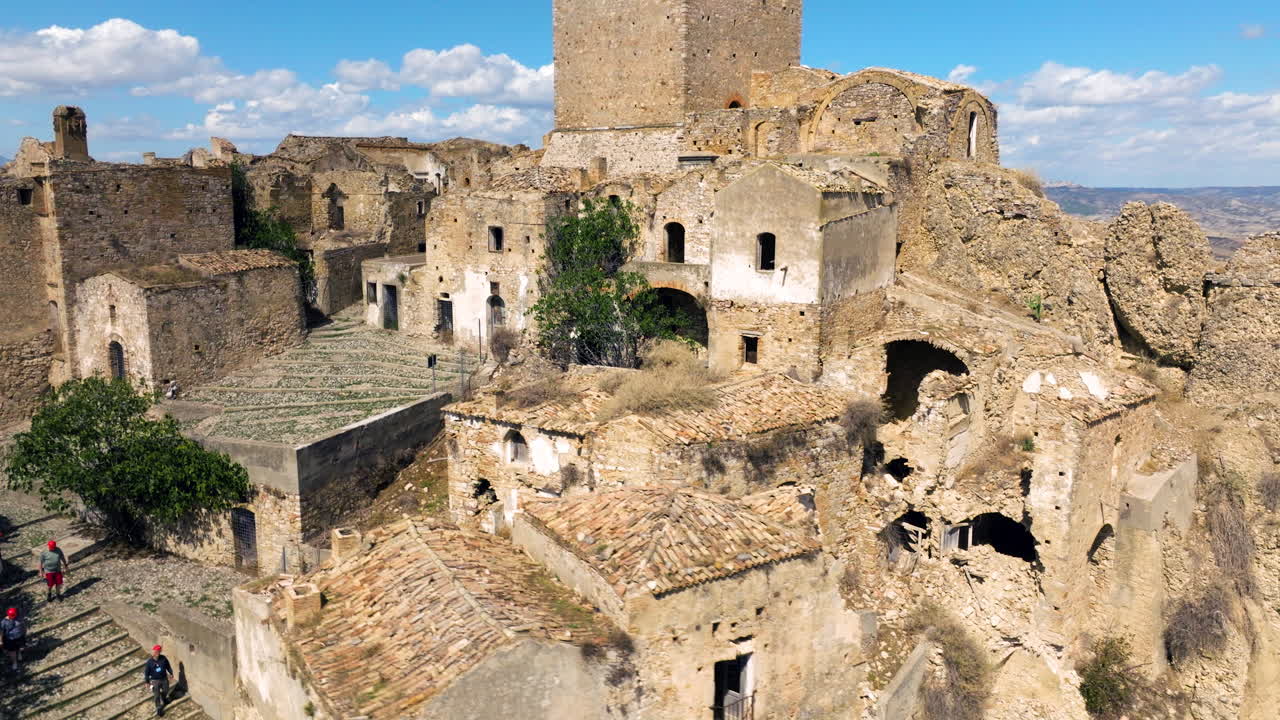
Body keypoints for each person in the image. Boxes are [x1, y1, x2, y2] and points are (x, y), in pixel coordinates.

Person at [143, 645, 174, 716]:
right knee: (156, 695)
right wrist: (147, 682)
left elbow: (168, 666)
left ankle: (163, 697)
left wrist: (171, 673)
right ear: (153, 652)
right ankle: (158, 707)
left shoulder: (163, 658)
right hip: (155, 681)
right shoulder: (149, 662)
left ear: (160, 651)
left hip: (164, 678)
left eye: (158, 651)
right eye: (155, 651)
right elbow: (146, 673)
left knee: (166, 690)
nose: (157, 653)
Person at [1, 608, 24, 672]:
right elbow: (1, 632)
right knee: (12, 652)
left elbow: (22, 626)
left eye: (14, 615)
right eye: (11, 616)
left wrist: (23, 633)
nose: (13, 617)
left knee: (20, 647)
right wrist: (1, 640)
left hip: (19, 637)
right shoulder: (4, 622)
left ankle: (19, 654)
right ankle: (14, 662)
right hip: (10, 639)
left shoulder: (18, 618)